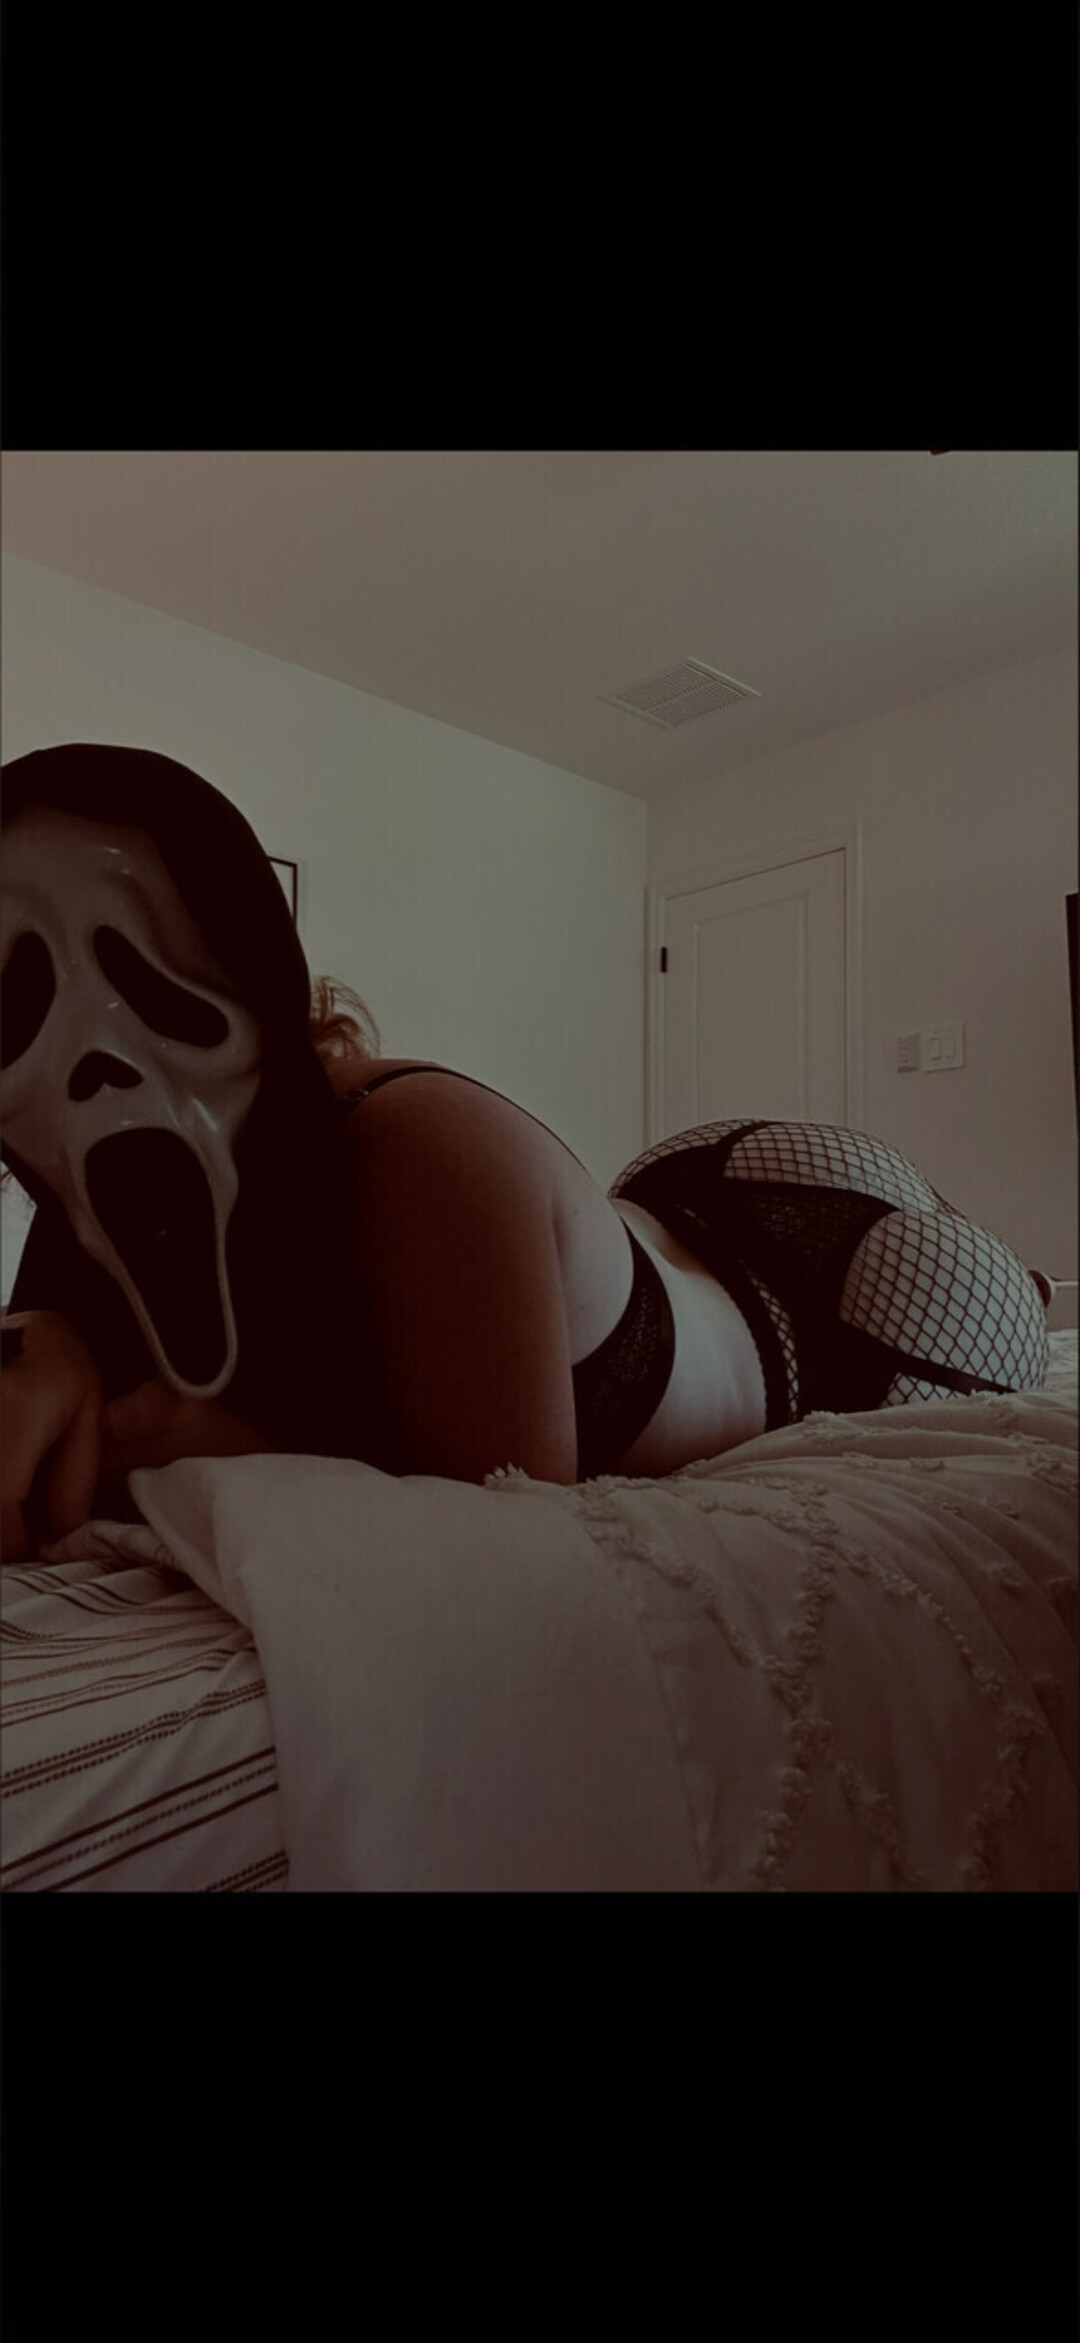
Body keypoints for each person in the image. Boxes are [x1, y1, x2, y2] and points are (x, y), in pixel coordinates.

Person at [1, 744, 1050, 1563]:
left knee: (1021, 1302)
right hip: (659, 1207)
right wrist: (49, 1343)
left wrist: (257, 1456)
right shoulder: (95, 1200)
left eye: (148, 971)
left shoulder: (412, 1154)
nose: (91, 1066)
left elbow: (516, 1553)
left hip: (820, 1305)